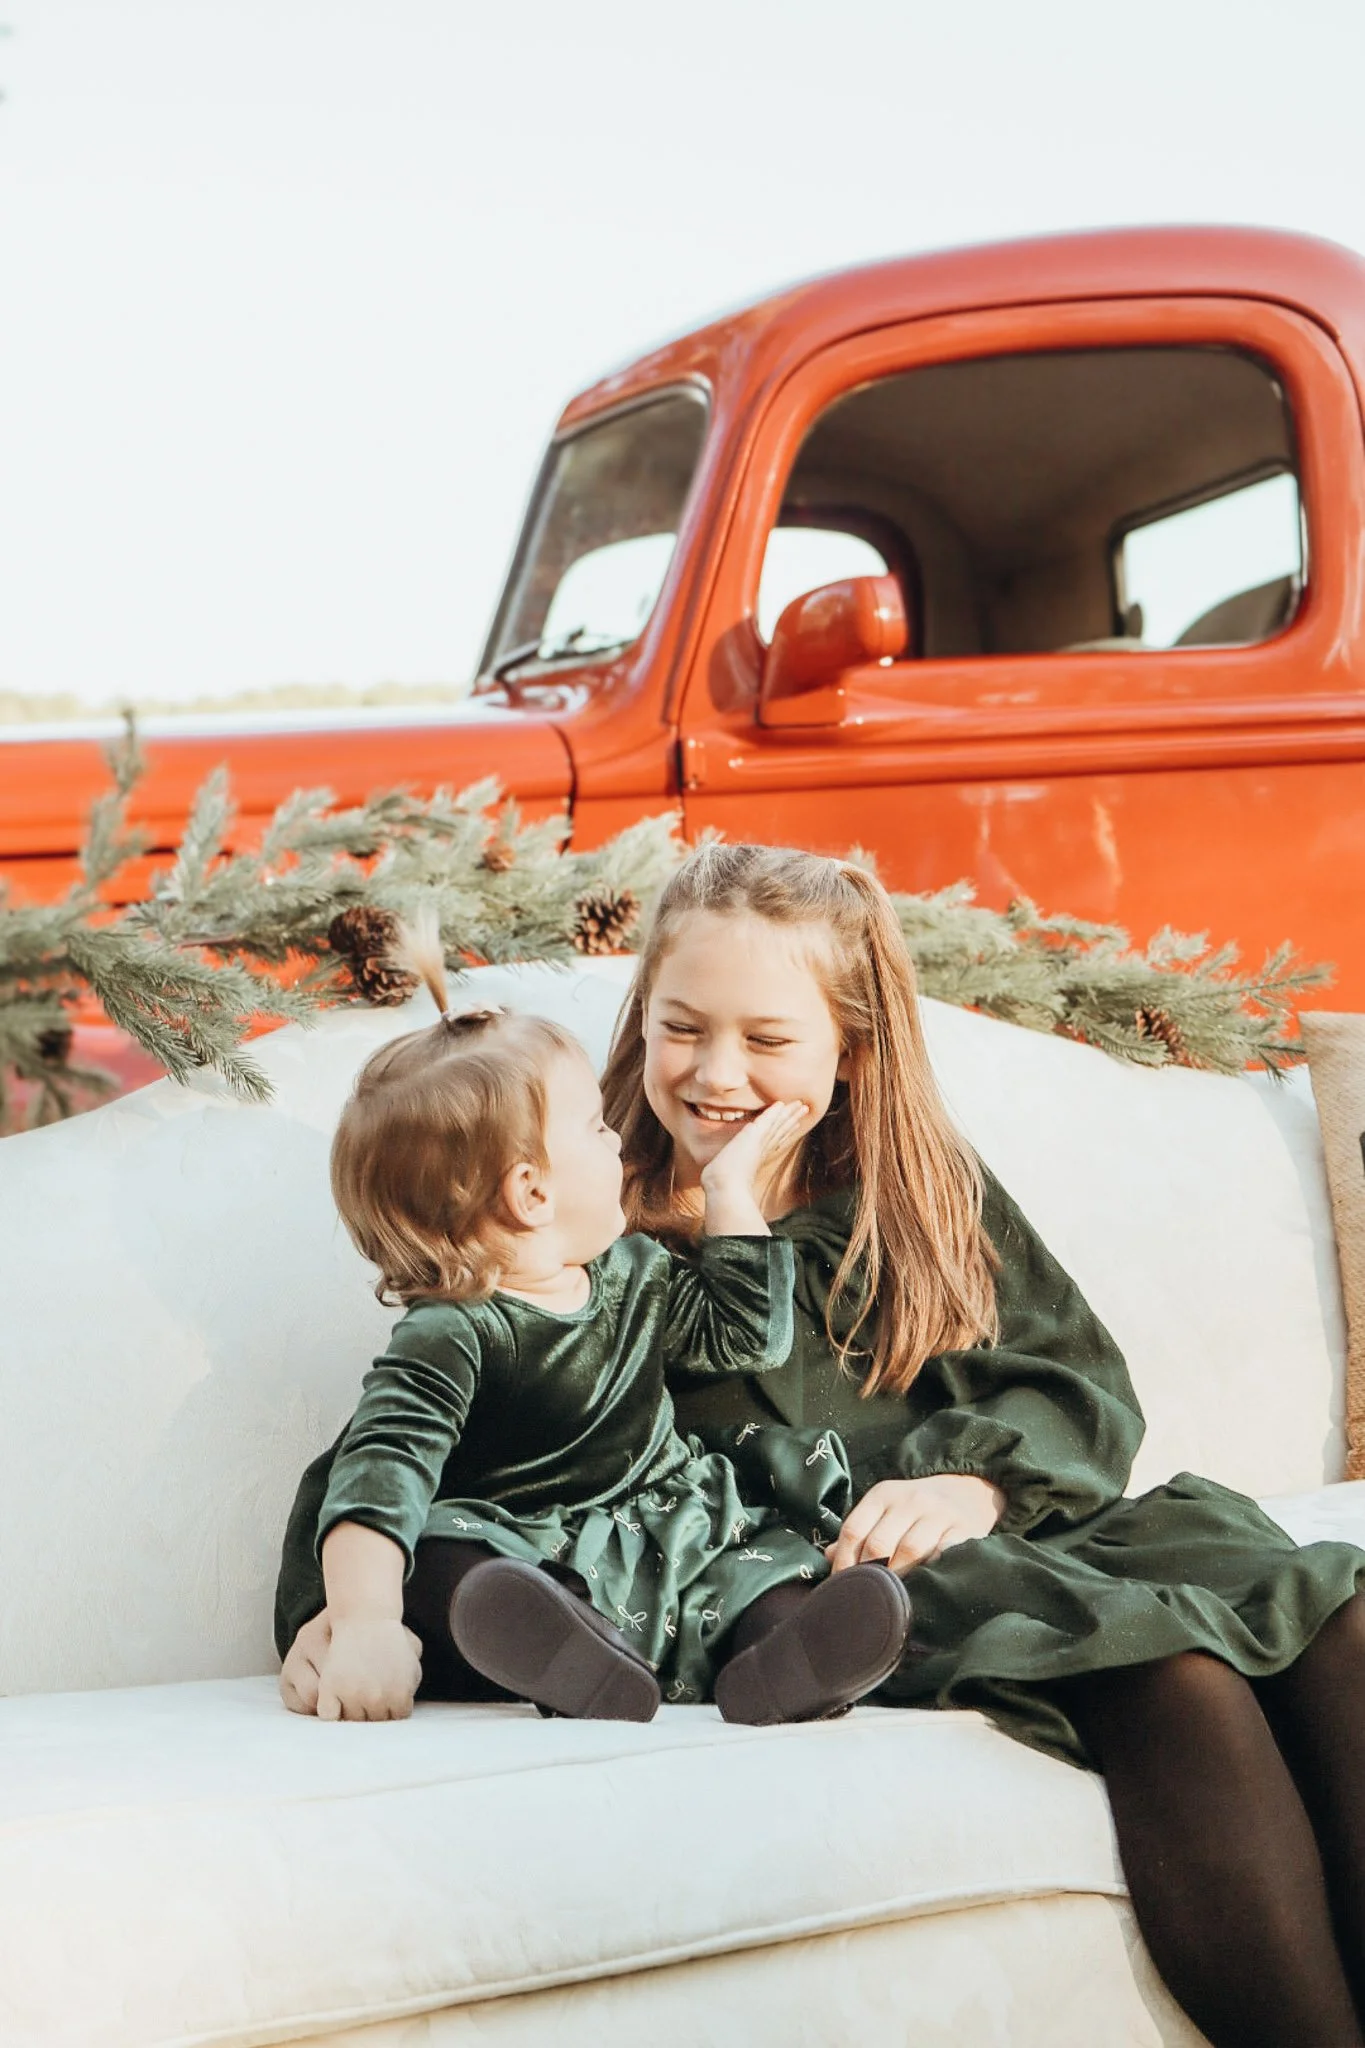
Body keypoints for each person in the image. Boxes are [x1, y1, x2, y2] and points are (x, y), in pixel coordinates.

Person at [279, 844, 1365, 2047]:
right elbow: (423, 1436)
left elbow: (1072, 1378)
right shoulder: (575, 1204)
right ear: (643, 1019)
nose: (717, 1072)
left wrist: (974, 1478)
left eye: (769, 1039)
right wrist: (359, 1606)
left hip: (988, 1519)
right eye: (683, 1027)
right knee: (1175, 1674)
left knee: (1333, 1614)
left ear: (851, 1047)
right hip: (815, 1568)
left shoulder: (909, 1183)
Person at [285, 931, 911, 1730]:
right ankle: (569, 1652)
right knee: (448, 1570)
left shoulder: (633, 1273)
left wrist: (730, 1193)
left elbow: (746, 1337)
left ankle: (781, 1658)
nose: (617, 1139)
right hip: (524, 1549)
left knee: (748, 1574)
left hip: (663, 1531)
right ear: (531, 1194)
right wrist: (366, 1623)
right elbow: (380, 1477)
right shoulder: (452, 1333)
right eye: (593, 1129)